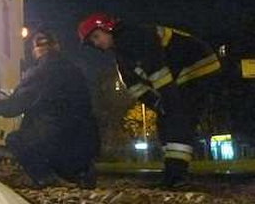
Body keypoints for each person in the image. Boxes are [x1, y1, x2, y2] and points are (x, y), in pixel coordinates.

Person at [78, 13, 221, 187]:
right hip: (183, 75)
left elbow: (157, 69)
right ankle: (173, 171)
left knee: (179, 119)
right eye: (93, 41)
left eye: (96, 36)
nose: (96, 43)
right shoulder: (122, 53)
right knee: (167, 120)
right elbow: (134, 86)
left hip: (198, 68)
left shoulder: (136, 36)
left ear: (107, 27)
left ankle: (176, 175)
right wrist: (157, 104)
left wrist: (169, 101)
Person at [0, 29, 100, 188]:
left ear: (35, 50)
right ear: (57, 47)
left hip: (55, 145)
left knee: (15, 139)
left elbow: (13, 108)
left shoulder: (38, 72)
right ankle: (81, 173)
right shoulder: (75, 70)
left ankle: (46, 178)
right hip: (86, 145)